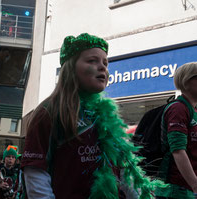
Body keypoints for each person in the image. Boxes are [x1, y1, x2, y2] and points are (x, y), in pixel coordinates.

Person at [21, 33, 163, 199]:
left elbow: (123, 171)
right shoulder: (48, 112)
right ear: (70, 68)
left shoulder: (105, 114)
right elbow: (35, 173)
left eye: (105, 63)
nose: (102, 67)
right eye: (92, 61)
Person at [155, 62, 197, 199]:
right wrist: (195, 185)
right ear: (186, 81)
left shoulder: (193, 110)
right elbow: (178, 150)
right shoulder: (178, 109)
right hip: (176, 189)